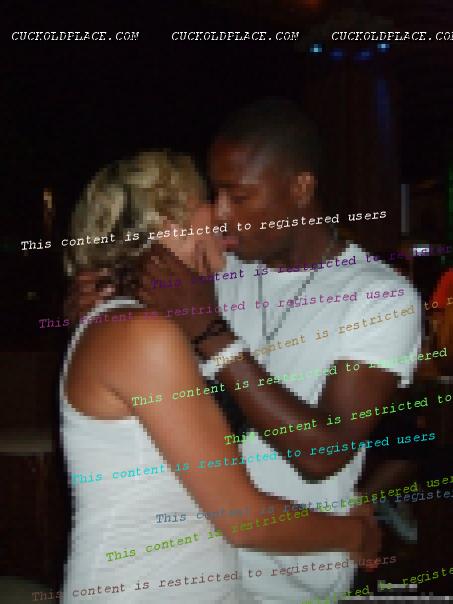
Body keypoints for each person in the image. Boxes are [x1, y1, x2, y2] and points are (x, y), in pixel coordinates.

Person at [134, 100, 422, 603]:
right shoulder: (218, 274)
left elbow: (323, 454)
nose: (222, 214)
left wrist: (210, 331)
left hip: (295, 579)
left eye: (240, 196)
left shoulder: (378, 296)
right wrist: (99, 305)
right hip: (195, 568)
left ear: (300, 189)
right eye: (216, 194)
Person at [60, 150, 379, 603]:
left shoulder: (153, 322)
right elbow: (244, 520)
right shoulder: (141, 334)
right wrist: (357, 534)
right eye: (209, 202)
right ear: (169, 223)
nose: (223, 216)